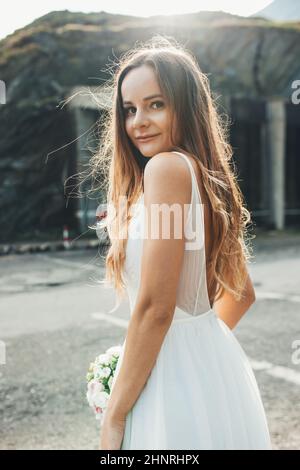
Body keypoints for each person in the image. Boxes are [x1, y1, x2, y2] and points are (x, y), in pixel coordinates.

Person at [95, 35, 272, 450]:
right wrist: (197, 355)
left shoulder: (166, 169)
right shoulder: (203, 177)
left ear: (187, 107)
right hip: (211, 372)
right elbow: (241, 295)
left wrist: (116, 414)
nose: (138, 121)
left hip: (171, 379)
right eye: (129, 109)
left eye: (156, 104)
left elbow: (157, 307)